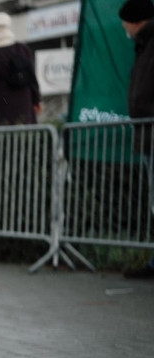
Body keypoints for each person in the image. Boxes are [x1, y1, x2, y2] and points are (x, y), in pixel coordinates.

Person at [120, 0, 154, 278]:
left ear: (134, 21)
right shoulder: (143, 45)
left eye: (124, 21)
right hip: (146, 134)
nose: (123, 27)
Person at [0, 12, 42, 126]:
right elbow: (31, 77)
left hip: (2, 108)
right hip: (26, 104)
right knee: (28, 140)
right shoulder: (22, 48)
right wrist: (36, 99)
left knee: (7, 141)